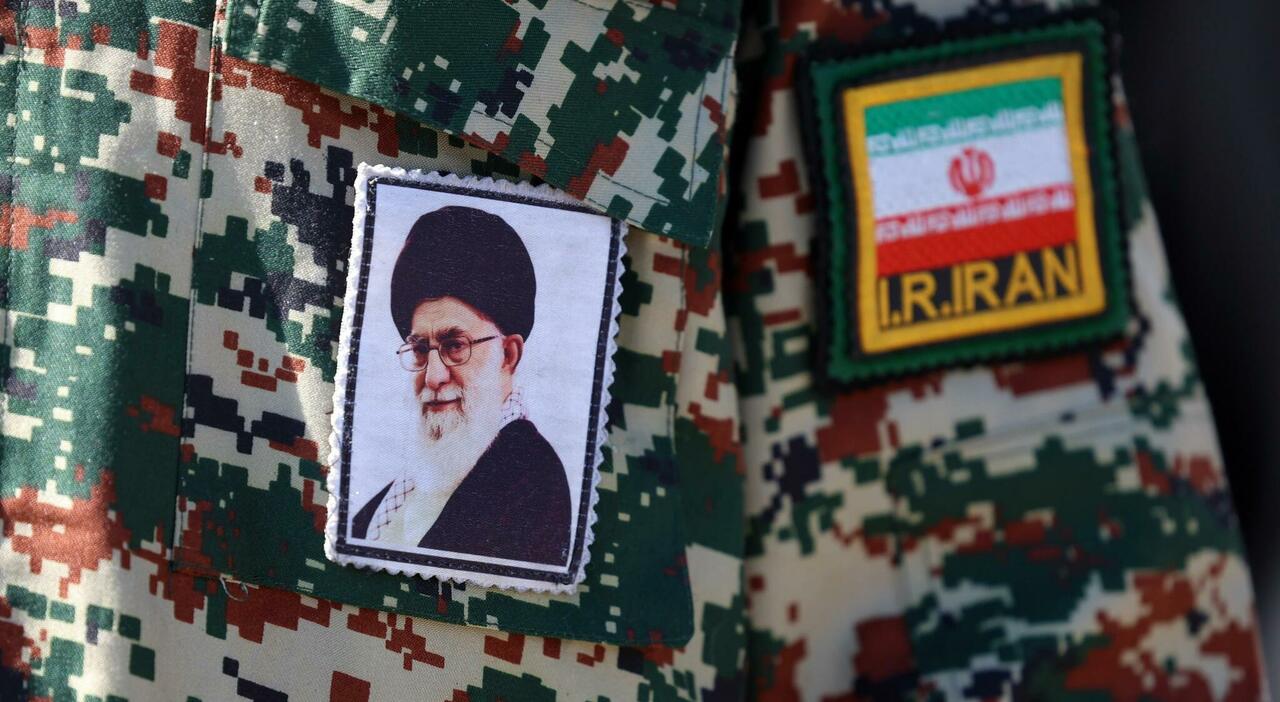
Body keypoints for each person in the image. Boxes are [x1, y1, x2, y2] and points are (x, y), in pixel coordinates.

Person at [349, 206, 571, 566]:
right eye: (421, 349)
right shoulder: (397, 496)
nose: (433, 376)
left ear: (508, 355)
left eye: (455, 346)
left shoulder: (532, 484)